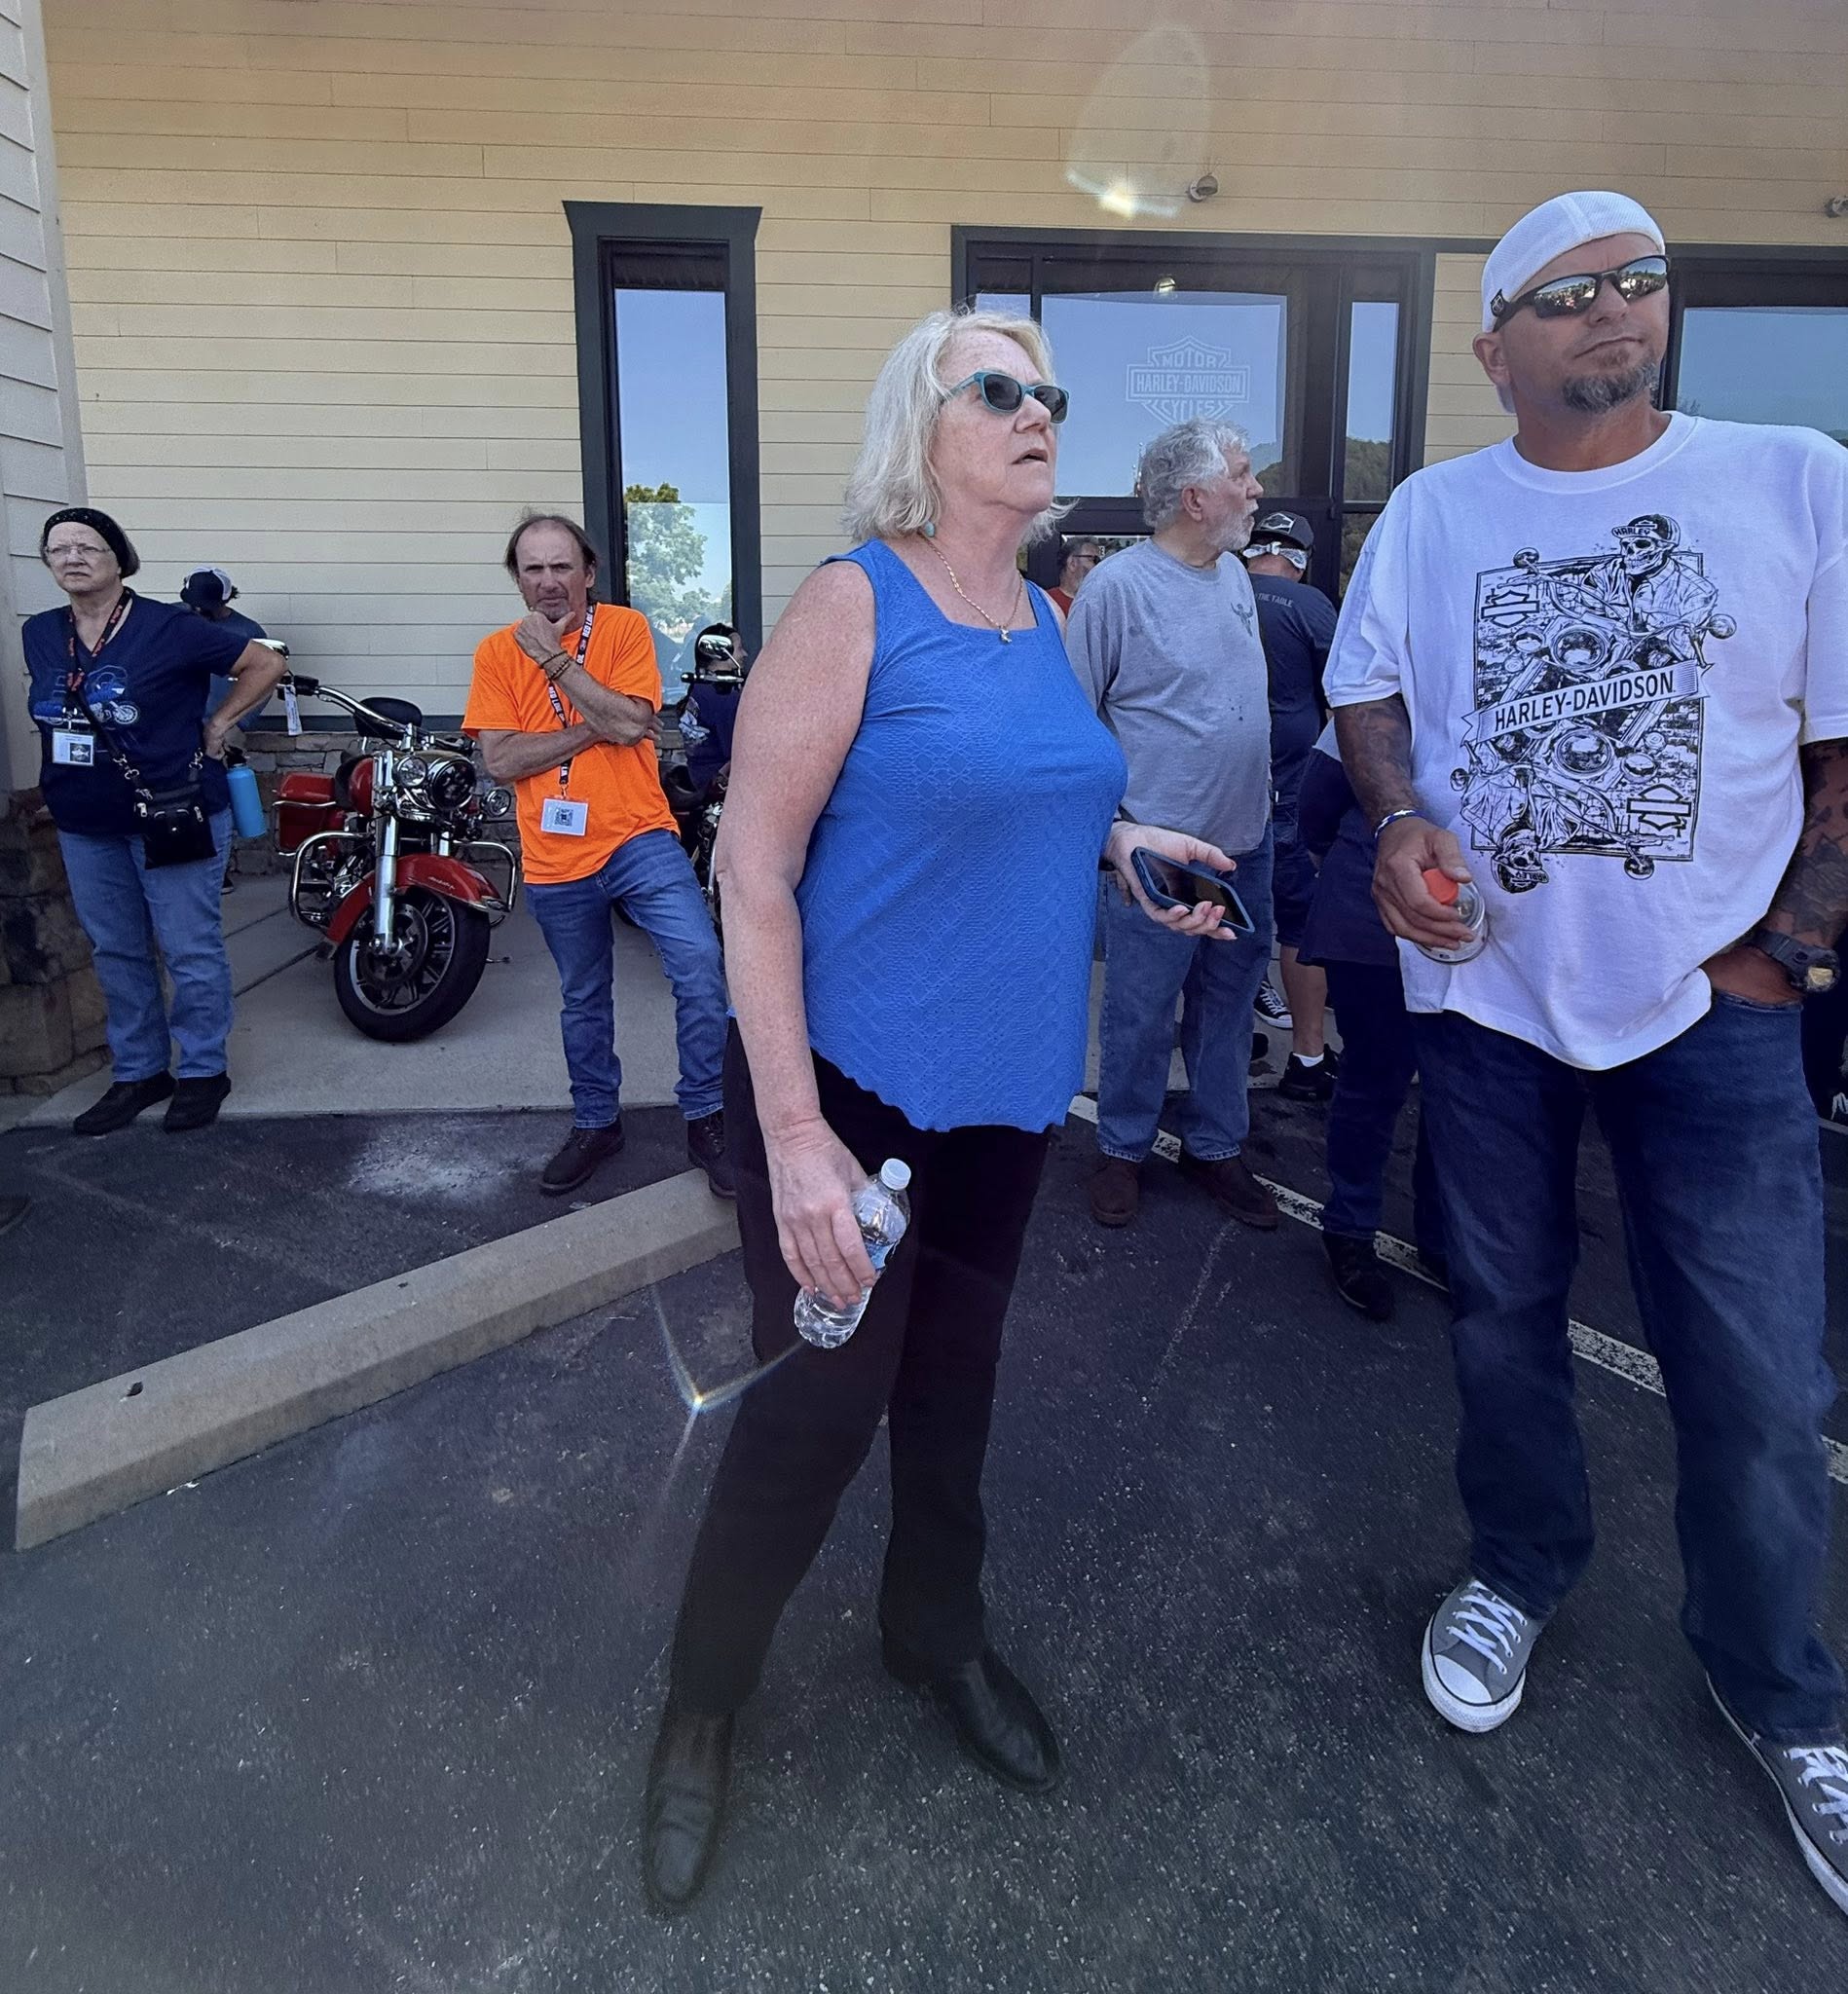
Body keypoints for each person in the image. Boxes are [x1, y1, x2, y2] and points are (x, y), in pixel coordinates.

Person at [642, 309, 1234, 1914]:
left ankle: (933, 1632)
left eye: (1048, 392)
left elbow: (1035, 782)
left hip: (1005, 1100)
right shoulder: (853, 601)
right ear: (923, 424)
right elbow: (751, 871)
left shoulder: (1043, 613)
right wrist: (790, 1138)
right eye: (998, 388)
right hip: (851, 1094)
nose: (1037, 411)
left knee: (954, 1385)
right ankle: (702, 1703)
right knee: (813, 1411)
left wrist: (1125, 847)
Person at [1327, 189, 1848, 1917]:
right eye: (1563, 296)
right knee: (1497, 1318)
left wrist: (1789, 951)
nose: (1610, 309)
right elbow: (1366, 694)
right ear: (1493, 352)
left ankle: (1777, 1684)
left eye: (1635, 279)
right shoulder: (1431, 511)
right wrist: (1394, 819)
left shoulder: (1793, 479)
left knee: (1758, 1379)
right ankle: (1518, 1564)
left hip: (1712, 1018)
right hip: (1488, 1003)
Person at [462, 514, 732, 1200]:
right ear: (517, 578)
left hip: (639, 835)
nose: (548, 581)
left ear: (588, 572)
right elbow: (501, 760)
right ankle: (596, 1122)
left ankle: (706, 1113)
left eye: (561, 566)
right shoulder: (495, 653)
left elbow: (636, 722)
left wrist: (553, 660)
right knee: (583, 997)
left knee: (700, 966)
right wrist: (595, 726)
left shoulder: (624, 629)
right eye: (533, 568)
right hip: (555, 854)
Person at [1067, 417, 1278, 1232]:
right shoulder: (1117, 590)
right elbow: (1075, 724)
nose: (1256, 489)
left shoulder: (1234, 579)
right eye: (1241, 474)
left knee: (1228, 1005)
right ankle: (1122, 1148)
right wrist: (1114, 837)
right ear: (1195, 497)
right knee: (1143, 1010)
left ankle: (1215, 1146)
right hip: (1162, 859)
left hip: (1245, 845)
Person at [25, 508, 286, 1135]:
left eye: (88, 546)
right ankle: (140, 1071)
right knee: (116, 949)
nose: (73, 557)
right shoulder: (40, 631)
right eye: (58, 549)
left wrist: (220, 724)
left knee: (188, 946)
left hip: (172, 810)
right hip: (85, 818)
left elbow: (265, 663)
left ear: (120, 559)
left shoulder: (169, 626)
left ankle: (202, 1070)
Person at [1293, 725, 1444, 1317]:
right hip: (1375, 912)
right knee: (1374, 1079)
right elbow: (1317, 802)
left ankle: (1443, 1235)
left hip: (1486, 925)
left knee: (1465, 1089)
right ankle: (1350, 1228)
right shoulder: (1376, 695)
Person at [1241, 509, 1339, 1101]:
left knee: (1218, 916)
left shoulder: (1213, 592)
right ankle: (1307, 1055)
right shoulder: (1309, 606)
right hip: (1290, 788)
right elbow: (1348, 695)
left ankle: (1228, 1040)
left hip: (1217, 788)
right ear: (1299, 559)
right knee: (1299, 923)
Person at [180, 567, 273, 893]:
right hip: (179, 723)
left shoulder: (247, 631)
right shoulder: (174, 621)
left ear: (227, 598)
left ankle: (217, 870)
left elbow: (265, 681)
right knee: (181, 794)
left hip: (226, 725)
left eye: (207, 605)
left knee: (218, 796)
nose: (199, 610)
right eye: (194, 603)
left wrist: (239, 723)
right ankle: (183, 863)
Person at [676, 621, 748, 795]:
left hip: (698, 776)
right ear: (722, 653)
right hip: (718, 785)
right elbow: (738, 752)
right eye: (739, 649)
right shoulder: (722, 695)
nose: (744, 654)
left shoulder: (701, 687)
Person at [1047, 535, 1102, 613]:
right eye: (1093, 559)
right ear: (1072, 563)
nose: (1098, 566)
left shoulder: (1098, 603)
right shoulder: (1047, 601)